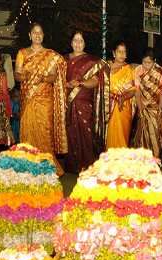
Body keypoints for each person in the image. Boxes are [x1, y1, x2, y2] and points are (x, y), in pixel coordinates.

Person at [15, 23, 68, 175]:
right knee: (28, 129)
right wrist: (24, 76)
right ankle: (27, 166)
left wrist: (43, 77)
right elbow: (17, 74)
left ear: (43, 36)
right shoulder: (22, 53)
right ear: (30, 35)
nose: (37, 35)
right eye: (34, 32)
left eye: (40, 33)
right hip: (28, 98)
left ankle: (47, 167)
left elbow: (52, 77)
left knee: (45, 131)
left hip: (45, 99)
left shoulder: (51, 55)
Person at [65, 31, 107, 173]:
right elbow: (58, 81)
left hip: (84, 102)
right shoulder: (63, 61)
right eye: (75, 40)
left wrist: (80, 83)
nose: (78, 43)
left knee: (87, 134)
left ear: (85, 43)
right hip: (68, 103)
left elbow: (95, 81)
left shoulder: (91, 61)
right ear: (71, 43)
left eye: (81, 40)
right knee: (70, 133)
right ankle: (73, 166)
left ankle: (89, 166)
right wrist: (67, 85)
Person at [132, 47, 162, 162]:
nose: (146, 65)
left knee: (155, 135)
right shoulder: (137, 71)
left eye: (149, 62)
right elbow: (137, 92)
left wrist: (160, 109)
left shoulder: (159, 71)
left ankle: (155, 160)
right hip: (143, 107)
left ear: (154, 61)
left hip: (155, 108)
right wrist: (140, 109)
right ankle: (143, 162)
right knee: (142, 135)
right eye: (144, 62)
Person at [106, 41, 134, 149]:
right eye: (119, 52)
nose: (122, 54)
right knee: (109, 137)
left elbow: (133, 90)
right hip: (108, 106)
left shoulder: (128, 69)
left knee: (122, 137)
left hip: (123, 107)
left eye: (124, 52)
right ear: (114, 53)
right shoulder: (106, 67)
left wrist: (123, 97)